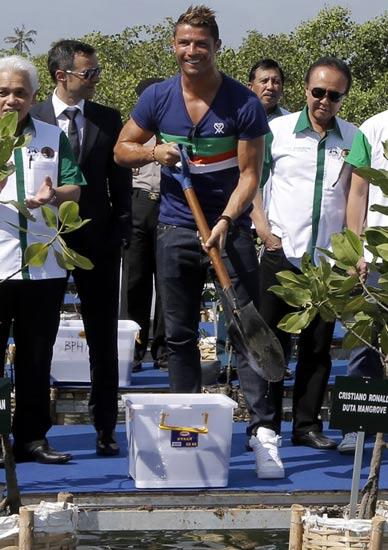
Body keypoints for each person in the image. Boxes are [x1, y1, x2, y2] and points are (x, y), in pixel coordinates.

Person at [114, 5, 275, 478]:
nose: (192, 51)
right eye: (184, 43)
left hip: (231, 231)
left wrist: (227, 218)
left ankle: (262, 434)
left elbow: (250, 174)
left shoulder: (243, 103)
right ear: (174, 46)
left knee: (247, 332)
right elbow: (124, 149)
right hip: (175, 228)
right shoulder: (159, 99)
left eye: (201, 44)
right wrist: (154, 150)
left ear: (216, 47)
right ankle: (187, 431)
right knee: (180, 335)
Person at [251, 57, 357, 472]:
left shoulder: (352, 138)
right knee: (270, 346)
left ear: (342, 97)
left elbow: (354, 197)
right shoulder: (275, 130)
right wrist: (263, 230)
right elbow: (253, 181)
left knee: (317, 347)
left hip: (327, 261)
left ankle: (307, 424)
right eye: (318, 92)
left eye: (334, 95)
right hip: (281, 252)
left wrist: (351, 251)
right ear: (306, 90)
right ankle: (264, 427)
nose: (324, 101)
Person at [31, 40, 132, 457]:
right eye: (88, 73)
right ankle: (35, 431)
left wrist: (120, 231)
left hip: (97, 242)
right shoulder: (32, 118)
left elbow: (119, 181)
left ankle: (105, 426)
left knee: (103, 338)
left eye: (96, 72)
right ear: (62, 76)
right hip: (43, 243)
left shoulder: (108, 119)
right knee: (39, 336)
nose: (95, 79)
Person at [0, 55, 85, 464]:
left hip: (43, 266)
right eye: (3, 92)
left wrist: (55, 195)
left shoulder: (52, 135)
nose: (11, 100)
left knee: (37, 355)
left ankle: (32, 437)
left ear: (34, 97)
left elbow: (75, 188)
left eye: (20, 92)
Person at [337, 109, 388, 454]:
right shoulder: (373, 126)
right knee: (362, 339)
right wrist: (355, 248)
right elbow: (357, 192)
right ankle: (357, 426)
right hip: (376, 254)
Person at [120, 77, 167, 373]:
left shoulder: (176, 129)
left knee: (167, 280)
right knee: (135, 280)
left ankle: (163, 350)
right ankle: (133, 349)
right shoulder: (131, 131)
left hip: (169, 204)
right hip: (138, 203)